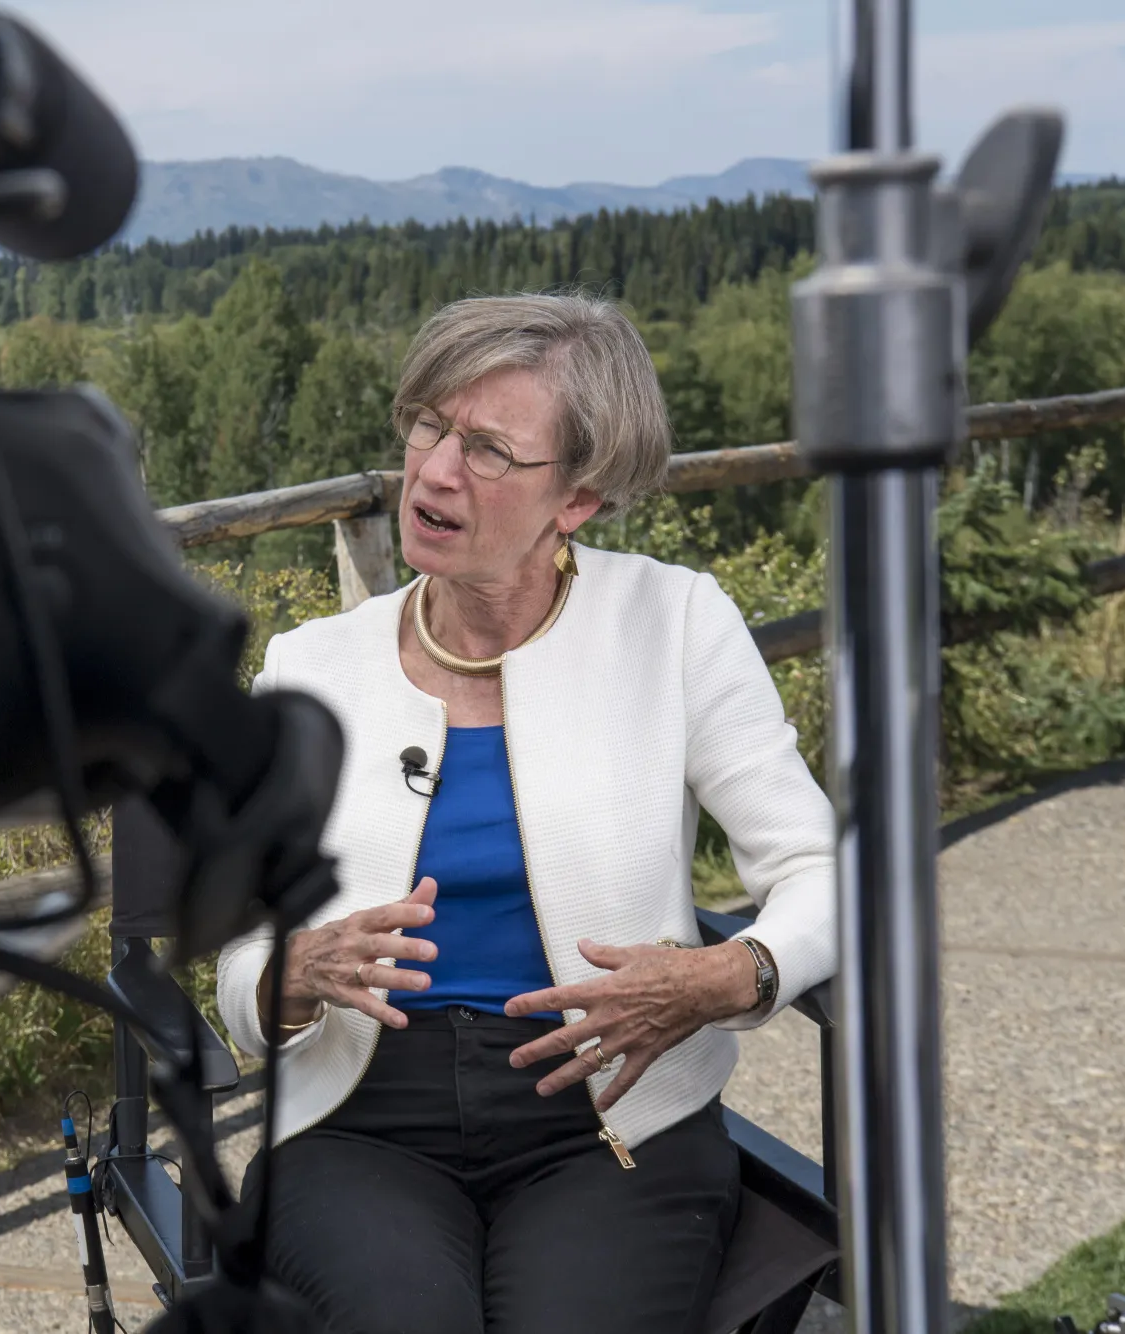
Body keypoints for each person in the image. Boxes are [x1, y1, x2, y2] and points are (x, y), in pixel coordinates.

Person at [215, 293, 837, 1334]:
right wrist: (294, 972)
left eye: (490, 450)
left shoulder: (673, 622)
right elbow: (237, 962)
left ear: (578, 497)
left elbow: (824, 867)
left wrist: (729, 975)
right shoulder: (308, 667)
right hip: (359, 1120)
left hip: (610, 1115)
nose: (435, 470)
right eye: (427, 425)